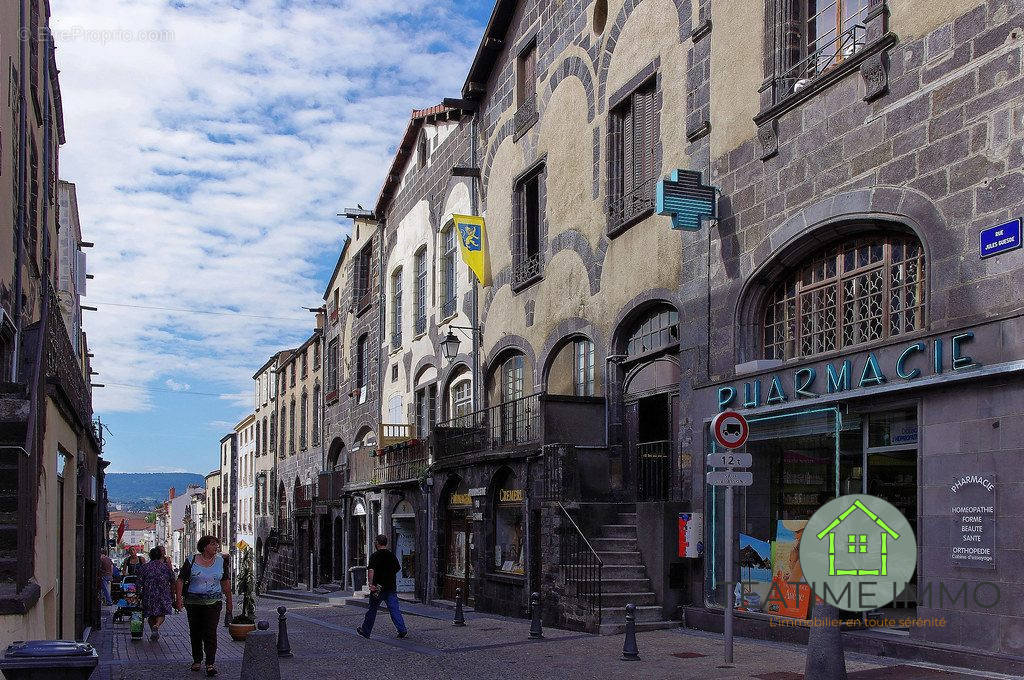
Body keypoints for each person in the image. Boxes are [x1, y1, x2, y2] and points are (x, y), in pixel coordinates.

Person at [175, 536, 232, 677]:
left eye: (216, 545)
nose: (216, 547)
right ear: (205, 546)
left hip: (213, 603)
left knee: (210, 632)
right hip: (193, 603)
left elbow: (225, 581)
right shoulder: (191, 560)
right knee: (195, 632)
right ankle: (197, 659)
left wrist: (229, 601)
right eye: (213, 544)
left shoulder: (220, 561)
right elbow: (180, 580)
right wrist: (178, 600)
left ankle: (210, 663)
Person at [356, 534, 407, 639]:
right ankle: (402, 629)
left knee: (372, 609)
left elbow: (371, 571)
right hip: (390, 586)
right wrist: (388, 575)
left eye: (375, 542)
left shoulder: (375, 556)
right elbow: (397, 568)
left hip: (378, 587)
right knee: (394, 609)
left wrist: (371, 584)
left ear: (377, 543)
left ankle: (366, 631)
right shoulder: (391, 555)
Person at [138, 546, 175, 641]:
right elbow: (172, 580)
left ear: (150, 556)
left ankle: (154, 630)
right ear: (159, 556)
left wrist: (138, 594)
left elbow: (139, 582)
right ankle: (157, 625)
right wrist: (172, 594)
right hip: (163, 594)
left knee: (150, 614)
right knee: (161, 613)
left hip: (149, 594)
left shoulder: (144, 567)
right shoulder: (165, 567)